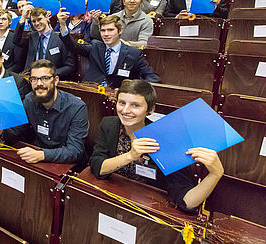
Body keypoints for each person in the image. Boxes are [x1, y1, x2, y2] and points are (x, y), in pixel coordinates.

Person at [89, 80, 224, 211]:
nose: (125, 110)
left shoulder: (164, 140)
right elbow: (97, 166)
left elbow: (186, 202)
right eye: (121, 103)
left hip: (148, 207)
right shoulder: (109, 124)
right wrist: (130, 156)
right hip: (112, 195)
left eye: (135, 105)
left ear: (151, 110)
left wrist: (215, 174)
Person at [0, 60, 88, 164]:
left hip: (67, 166)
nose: (39, 84)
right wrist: (0, 131)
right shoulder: (29, 100)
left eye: (45, 78)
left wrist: (42, 155)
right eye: (34, 79)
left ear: (56, 80)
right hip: (38, 160)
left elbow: (75, 151)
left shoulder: (76, 107)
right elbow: (16, 133)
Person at [59, 13, 160, 88]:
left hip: (117, 95)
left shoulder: (133, 53)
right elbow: (73, 46)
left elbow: (152, 77)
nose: (106, 34)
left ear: (120, 31)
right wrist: (63, 25)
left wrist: (135, 91)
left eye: (110, 30)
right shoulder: (96, 46)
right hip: (91, 90)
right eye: (103, 30)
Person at [14, 6, 75, 80]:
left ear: (46, 17)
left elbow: (69, 66)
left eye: (39, 19)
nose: (37, 23)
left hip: (51, 80)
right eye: (34, 21)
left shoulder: (61, 38)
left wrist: (50, 74)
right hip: (30, 78)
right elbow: (16, 41)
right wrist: (23, 17)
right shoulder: (32, 37)